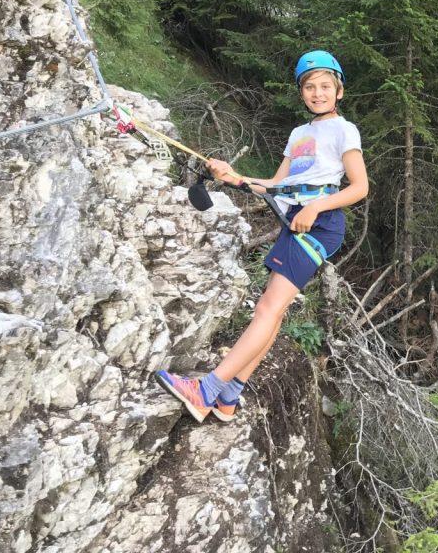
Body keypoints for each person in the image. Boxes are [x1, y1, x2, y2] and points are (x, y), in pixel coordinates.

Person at [155, 50, 368, 422]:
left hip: (320, 223)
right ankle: (229, 396)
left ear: (339, 92)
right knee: (270, 311)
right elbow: (275, 185)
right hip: (297, 223)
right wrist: (232, 176)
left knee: (268, 309)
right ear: (301, 93)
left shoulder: (343, 129)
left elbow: (360, 187)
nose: (317, 93)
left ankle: (206, 390)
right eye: (309, 87)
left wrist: (315, 207)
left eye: (324, 86)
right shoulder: (300, 134)